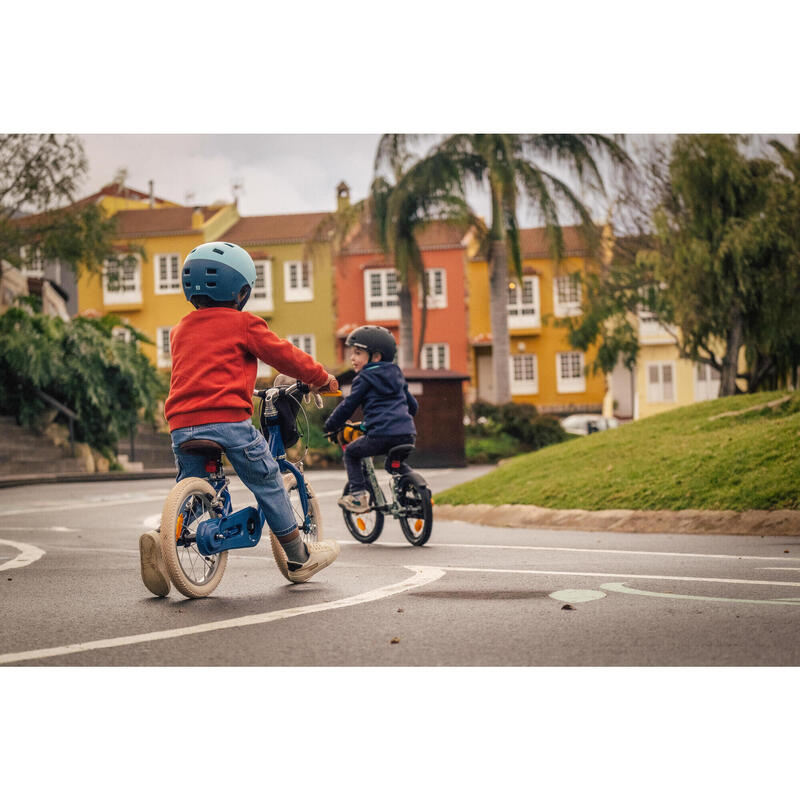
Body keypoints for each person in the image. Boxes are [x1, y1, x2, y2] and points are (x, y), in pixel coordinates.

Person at [139, 241, 341, 596]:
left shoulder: (180, 329)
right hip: (228, 422)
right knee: (266, 479)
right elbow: (285, 356)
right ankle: (298, 554)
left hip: (182, 424)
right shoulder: (243, 324)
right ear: (243, 291)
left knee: (193, 483)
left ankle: (163, 538)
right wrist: (320, 378)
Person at [324, 325, 418, 512]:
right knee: (395, 465)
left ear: (376, 356)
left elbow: (348, 405)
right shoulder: (397, 374)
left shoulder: (365, 378)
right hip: (407, 434)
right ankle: (417, 489)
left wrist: (331, 424)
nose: (352, 358)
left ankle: (358, 496)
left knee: (351, 452)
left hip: (381, 435)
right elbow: (413, 406)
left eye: (357, 353)